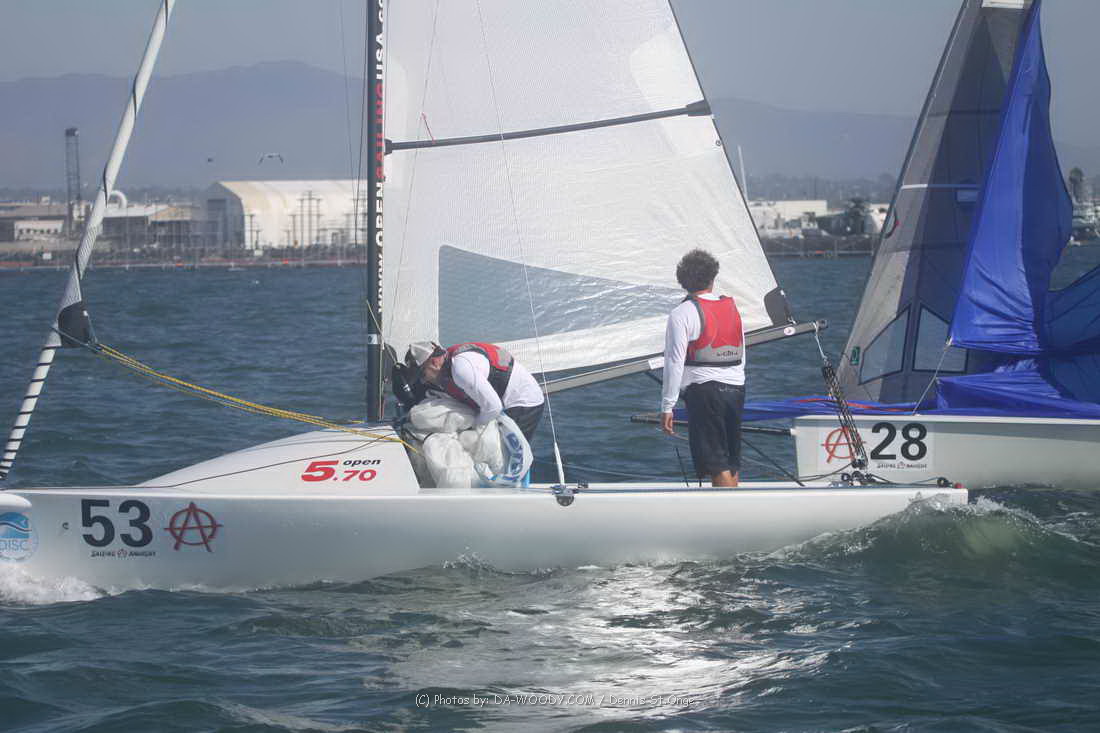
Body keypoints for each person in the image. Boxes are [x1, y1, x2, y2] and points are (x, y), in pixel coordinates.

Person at [659, 249, 746, 487]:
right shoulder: (731, 307)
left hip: (706, 393)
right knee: (730, 461)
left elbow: (674, 362)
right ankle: (734, 503)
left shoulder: (681, 313)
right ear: (712, 278)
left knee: (716, 464)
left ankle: (727, 510)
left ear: (682, 281)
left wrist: (667, 406)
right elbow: (742, 352)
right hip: (736, 389)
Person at [404, 340, 545, 442]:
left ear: (434, 362)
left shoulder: (460, 369)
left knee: (506, 457)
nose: (424, 380)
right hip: (503, 402)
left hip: (523, 403)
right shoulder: (448, 366)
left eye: (422, 374)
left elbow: (494, 407)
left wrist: (472, 428)